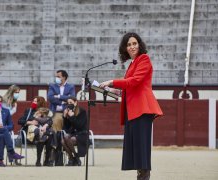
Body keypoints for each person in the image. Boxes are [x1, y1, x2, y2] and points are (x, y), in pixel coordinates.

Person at [99, 32, 163, 180]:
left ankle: (144, 177)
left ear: (139, 45)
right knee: (136, 148)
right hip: (133, 110)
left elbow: (133, 82)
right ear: (125, 48)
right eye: (129, 45)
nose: (132, 46)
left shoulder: (144, 59)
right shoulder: (133, 63)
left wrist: (112, 82)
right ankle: (141, 176)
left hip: (141, 109)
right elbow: (130, 86)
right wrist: (113, 89)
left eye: (134, 43)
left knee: (141, 148)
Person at [62, 97, 87, 166]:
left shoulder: (82, 111)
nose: (69, 104)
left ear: (75, 103)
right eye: (68, 103)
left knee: (67, 138)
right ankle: (74, 157)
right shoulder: (67, 111)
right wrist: (64, 117)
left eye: (71, 102)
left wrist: (72, 116)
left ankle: (72, 159)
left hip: (81, 134)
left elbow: (79, 126)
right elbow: (65, 128)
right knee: (63, 141)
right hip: (72, 134)